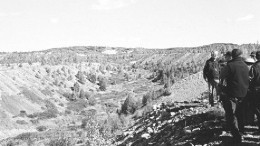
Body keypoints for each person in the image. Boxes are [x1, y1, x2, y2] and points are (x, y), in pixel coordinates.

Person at [220, 49, 249, 143]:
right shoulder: (245, 65)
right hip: (244, 94)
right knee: (240, 113)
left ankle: (236, 136)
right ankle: (242, 131)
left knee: (231, 115)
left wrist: (222, 91)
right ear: (240, 55)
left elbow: (221, 77)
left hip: (231, 94)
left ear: (232, 56)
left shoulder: (229, 66)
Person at [249, 51, 260, 133]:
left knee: (257, 108)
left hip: (256, 90)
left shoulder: (254, 67)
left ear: (256, 57)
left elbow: (250, 79)